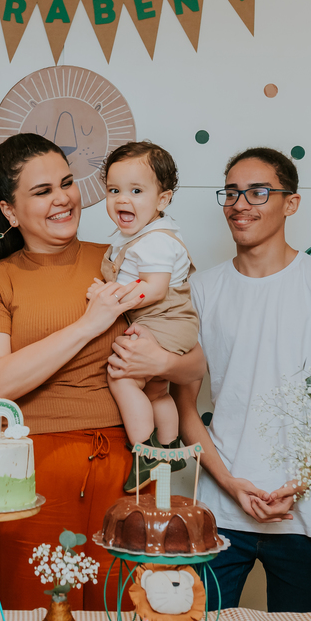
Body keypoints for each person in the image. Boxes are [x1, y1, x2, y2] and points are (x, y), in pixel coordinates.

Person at [0, 133, 205, 610]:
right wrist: (90, 324)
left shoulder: (122, 258)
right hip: (32, 473)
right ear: (10, 211)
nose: (62, 198)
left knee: (129, 614)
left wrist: (163, 363)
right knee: (35, 615)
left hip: (131, 464)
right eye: (42, 190)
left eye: (67, 183)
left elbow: (195, 362)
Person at [121, 147, 311, 612]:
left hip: (305, 512)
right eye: (231, 192)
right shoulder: (201, 288)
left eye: (257, 191)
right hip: (220, 508)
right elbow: (186, 407)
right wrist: (231, 484)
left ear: (290, 202)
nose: (239, 203)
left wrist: (299, 483)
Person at [94, 141, 199, 492]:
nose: (123, 199)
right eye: (114, 190)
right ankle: (170, 447)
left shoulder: (154, 241)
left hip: (164, 318)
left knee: (122, 377)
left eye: (136, 191)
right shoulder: (137, 236)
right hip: (171, 321)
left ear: (162, 200)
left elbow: (154, 289)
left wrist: (111, 299)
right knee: (156, 390)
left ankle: (146, 452)